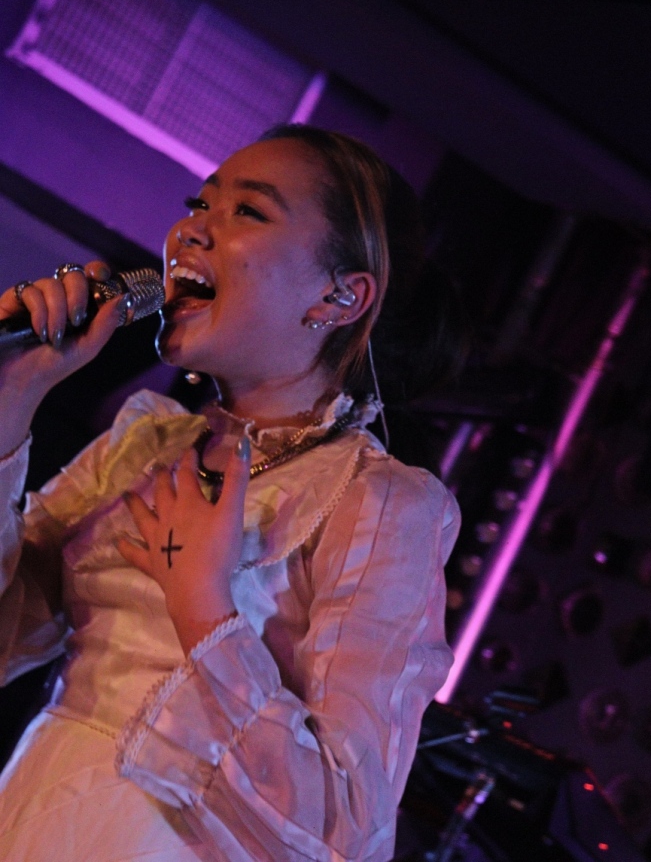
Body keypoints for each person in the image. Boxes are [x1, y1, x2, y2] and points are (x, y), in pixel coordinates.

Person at [0, 125, 465, 862]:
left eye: (247, 211)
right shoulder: (143, 445)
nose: (189, 230)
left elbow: (347, 830)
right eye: (198, 204)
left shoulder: (377, 503)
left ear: (340, 295)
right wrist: (11, 403)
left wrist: (203, 607)